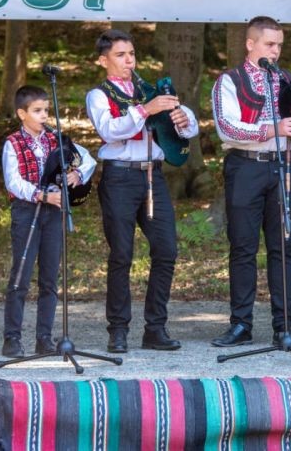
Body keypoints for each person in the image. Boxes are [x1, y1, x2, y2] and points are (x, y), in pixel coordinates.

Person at [210, 16, 291, 347]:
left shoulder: (289, 79)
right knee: (243, 247)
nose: (275, 51)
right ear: (250, 44)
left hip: (286, 167)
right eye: (269, 44)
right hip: (246, 167)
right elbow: (226, 128)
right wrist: (273, 128)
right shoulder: (229, 81)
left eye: (279, 45)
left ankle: (284, 326)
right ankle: (241, 324)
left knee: (283, 247)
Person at [86, 29, 198, 353]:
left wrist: (182, 118)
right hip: (119, 177)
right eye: (120, 55)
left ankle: (155, 328)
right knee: (121, 254)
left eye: (132, 54)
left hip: (153, 175)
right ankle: (118, 330)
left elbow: (187, 130)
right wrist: (146, 109)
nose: (129, 61)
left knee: (166, 250)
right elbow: (109, 130)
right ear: (103, 60)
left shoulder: (149, 90)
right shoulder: (98, 95)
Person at [1, 85, 96, 358]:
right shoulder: (13, 143)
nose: (44, 115)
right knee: (21, 276)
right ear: (22, 114)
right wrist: (41, 195)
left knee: (50, 277)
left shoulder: (56, 140)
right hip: (26, 212)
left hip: (54, 213)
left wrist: (77, 174)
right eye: (37, 111)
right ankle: (12, 338)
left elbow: (88, 159)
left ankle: (44, 338)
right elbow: (13, 181)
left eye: (46, 110)